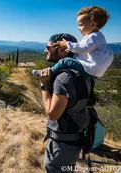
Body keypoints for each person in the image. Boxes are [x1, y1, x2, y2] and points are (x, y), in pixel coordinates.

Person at [40, 33, 95, 173]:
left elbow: (53, 114)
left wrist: (44, 86)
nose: (45, 50)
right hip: (74, 139)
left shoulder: (63, 78)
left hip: (62, 145)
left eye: (48, 47)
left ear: (62, 50)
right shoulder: (83, 73)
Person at [33, 6, 114, 78]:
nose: (78, 28)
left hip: (90, 68)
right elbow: (82, 48)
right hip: (95, 71)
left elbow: (83, 48)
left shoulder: (93, 37)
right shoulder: (99, 38)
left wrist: (66, 44)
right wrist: (70, 47)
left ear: (92, 24)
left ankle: (47, 74)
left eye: (81, 25)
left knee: (65, 61)